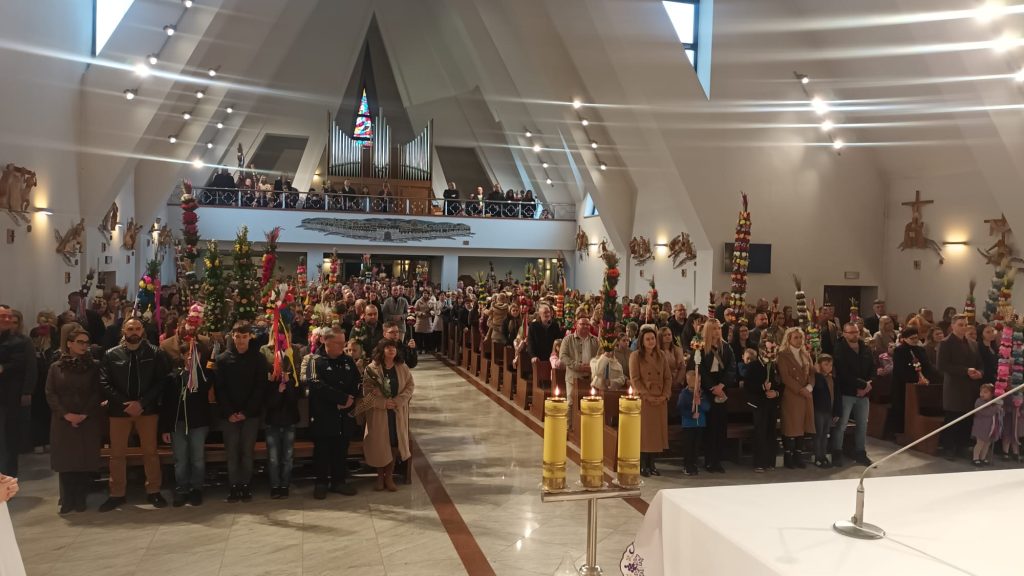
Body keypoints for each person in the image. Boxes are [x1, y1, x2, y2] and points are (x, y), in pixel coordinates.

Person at [99, 317, 170, 511]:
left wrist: (142, 402)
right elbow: (104, 382)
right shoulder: (111, 354)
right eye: (130, 328)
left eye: (137, 328)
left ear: (142, 331)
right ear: (124, 330)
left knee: (150, 452)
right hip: (119, 411)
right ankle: (117, 493)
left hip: (147, 410)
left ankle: (154, 491)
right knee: (117, 454)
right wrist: (125, 403)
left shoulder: (155, 353)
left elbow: (162, 381)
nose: (134, 332)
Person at [45, 324, 102, 514]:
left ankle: (80, 498)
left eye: (86, 342)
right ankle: (67, 499)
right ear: (69, 344)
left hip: (87, 418)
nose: (84, 346)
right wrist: (66, 414)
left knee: (83, 460)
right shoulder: (56, 367)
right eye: (80, 342)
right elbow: (50, 393)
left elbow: (97, 392)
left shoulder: (94, 366)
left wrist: (84, 414)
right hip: (63, 420)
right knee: (66, 461)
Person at [159, 321, 213, 507]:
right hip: (178, 424)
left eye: (194, 354)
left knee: (197, 458)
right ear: (182, 356)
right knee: (180, 459)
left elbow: (204, 389)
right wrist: (165, 428)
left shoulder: (205, 376)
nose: (191, 357)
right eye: (187, 355)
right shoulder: (173, 377)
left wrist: (195, 372)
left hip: (198, 423)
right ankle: (182, 489)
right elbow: (167, 404)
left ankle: (197, 488)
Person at [214, 322, 269, 503]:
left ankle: (245, 485)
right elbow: (220, 389)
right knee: (232, 452)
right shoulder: (222, 359)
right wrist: (230, 412)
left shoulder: (258, 358)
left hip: (250, 415)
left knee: (247, 452)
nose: (240, 341)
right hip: (229, 415)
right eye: (237, 337)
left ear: (250, 337)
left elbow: (260, 387)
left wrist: (246, 411)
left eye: (244, 337)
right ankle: (233, 486)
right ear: (232, 337)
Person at [305, 328, 360, 499]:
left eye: (343, 343)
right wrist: (340, 399)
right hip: (324, 414)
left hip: (344, 415)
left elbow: (357, 381)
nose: (342, 347)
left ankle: (339, 481)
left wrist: (349, 399)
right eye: (338, 343)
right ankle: (321, 483)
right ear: (325, 341)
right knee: (322, 450)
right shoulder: (315, 361)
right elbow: (315, 384)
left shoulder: (348, 360)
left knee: (341, 449)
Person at [686, 319, 736, 473]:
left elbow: (731, 367)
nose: (717, 331)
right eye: (713, 328)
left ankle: (717, 460)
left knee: (720, 427)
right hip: (707, 391)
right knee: (710, 428)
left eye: (718, 328)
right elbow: (699, 369)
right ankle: (708, 460)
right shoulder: (700, 347)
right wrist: (711, 387)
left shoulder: (726, 347)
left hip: (722, 389)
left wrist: (722, 385)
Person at [363, 340, 414, 492]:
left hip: (396, 412)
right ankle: (380, 477)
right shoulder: (371, 368)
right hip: (379, 413)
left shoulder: (402, 367)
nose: (392, 350)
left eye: (394, 347)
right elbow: (367, 393)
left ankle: (389, 476)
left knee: (393, 442)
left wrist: (398, 401)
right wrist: (383, 403)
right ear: (381, 350)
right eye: (388, 347)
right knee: (380, 444)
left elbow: (410, 386)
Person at [938, 314, 983, 461]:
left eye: (965, 325)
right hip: (954, 387)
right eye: (960, 325)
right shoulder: (946, 343)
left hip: (970, 386)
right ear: (952, 326)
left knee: (967, 418)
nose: (963, 327)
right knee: (953, 417)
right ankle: (949, 447)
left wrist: (980, 373)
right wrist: (965, 371)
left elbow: (980, 364)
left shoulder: (973, 343)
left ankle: (962, 445)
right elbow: (942, 365)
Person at [832, 322, 875, 467]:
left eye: (856, 332)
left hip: (864, 394)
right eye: (851, 332)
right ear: (844, 333)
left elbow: (873, 368)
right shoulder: (839, 349)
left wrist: (868, 385)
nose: (854, 335)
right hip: (847, 392)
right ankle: (837, 453)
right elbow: (843, 373)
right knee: (842, 425)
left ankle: (860, 453)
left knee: (863, 424)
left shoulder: (865, 348)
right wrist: (863, 385)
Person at [262, 340, 300, 500]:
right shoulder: (269, 382)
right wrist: (278, 390)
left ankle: (285, 485)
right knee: (273, 458)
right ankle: (275, 485)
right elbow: (269, 404)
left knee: (287, 457)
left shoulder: (293, 380)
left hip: (289, 422)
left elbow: (294, 400)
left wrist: (288, 384)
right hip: (273, 423)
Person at [630, 325, 671, 477]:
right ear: (642, 341)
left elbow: (667, 377)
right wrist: (646, 395)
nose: (651, 341)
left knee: (656, 435)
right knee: (645, 434)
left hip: (660, 399)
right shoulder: (635, 356)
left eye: (653, 338)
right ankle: (643, 465)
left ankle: (652, 464)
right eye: (647, 339)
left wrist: (665, 395)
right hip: (644, 399)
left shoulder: (661, 355)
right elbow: (635, 379)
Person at [887, 327, 937, 441]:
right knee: (901, 409)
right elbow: (901, 370)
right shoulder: (899, 351)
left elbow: (927, 366)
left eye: (916, 338)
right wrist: (916, 379)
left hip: (921, 384)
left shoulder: (921, 350)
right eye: (912, 338)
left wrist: (928, 377)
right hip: (903, 386)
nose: (915, 340)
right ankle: (900, 432)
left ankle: (917, 431)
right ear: (904, 339)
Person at [778, 328, 815, 469]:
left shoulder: (805, 354)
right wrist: (800, 390)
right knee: (791, 426)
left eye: (800, 337)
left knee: (802, 426)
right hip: (792, 395)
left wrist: (809, 387)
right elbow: (785, 377)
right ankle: (788, 456)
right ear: (789, 339)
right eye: (796, 337)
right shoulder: (783, 355)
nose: (799, 340)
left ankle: (798, 456)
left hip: (806, 395)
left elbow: (812, 373)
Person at [0, 305, 31, 477]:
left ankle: (8, 477)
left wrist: (3, 368)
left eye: (8, 316)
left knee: (8, 439)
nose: (7, 319)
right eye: (2, 316)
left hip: (9, 397)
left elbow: (23, 365)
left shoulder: (20, 341)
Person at [741, 347, 778, 472]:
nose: (770, 352)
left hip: (771, 403)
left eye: (772, 349)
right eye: (768, 350)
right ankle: (759, 463)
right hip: (758, 404)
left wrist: (776, 392)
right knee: (760, 432)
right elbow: (748, 385)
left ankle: (770, 461)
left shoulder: (773, 365)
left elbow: (779, 383)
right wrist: (762, 387)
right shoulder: (753, 366)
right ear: (762, 351)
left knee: (771, 432)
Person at [677, 369, 710, 476]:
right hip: (688, 425)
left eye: (699, 381)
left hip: (700, 424)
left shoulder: (702, 394)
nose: (698, 384)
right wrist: (691, 415)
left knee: (696, 446)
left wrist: (700, 403)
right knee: (689, 446)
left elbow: (707, 407)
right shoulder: (684, 394)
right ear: (688, 382)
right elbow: (681, 409)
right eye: (695, 381)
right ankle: (687, 465)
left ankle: (694, 464)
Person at [559, 318, 599, 402]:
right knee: (571, 403)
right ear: (576, 325)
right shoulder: (567, 339)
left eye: (587, 325)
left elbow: (600, 356)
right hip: (573, 377)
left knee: (591, 404)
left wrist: (593, 366)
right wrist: (578, 366)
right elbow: (563, 356)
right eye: (582, 324)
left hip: (591, 378)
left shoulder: (596, 340)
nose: (585, 326)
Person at [812, 354, 840, 468]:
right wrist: (818, 373)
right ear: (819, 365)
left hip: (829, 410)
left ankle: (823, 456)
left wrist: (837, 411)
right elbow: (818, 387)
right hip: (819, 410)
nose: (829, 367)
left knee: (825, 434)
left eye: (831, 365)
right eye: (826, 364)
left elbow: (837, 396)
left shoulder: (832, 379)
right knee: (818, 434)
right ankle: (817, 457)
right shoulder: (816, 377)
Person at [971, 383, 1001, 467]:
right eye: (981, 392)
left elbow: (998, 413)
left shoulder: (994, 403)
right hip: (981, 426)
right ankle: (975, 458)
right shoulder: (979, 401)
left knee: (987, 443)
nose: (982, 394)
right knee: (980, 443)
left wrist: (999, 406)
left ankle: (983, 458)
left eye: (985, 392)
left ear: (992, 394)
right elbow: (987, 412)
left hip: (990, 427)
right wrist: (996, 407)